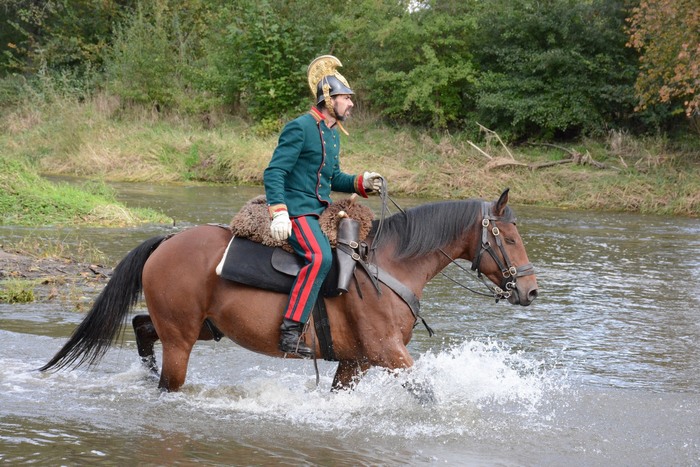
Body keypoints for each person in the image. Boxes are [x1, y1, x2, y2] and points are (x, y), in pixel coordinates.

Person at [263, 55, 383, 357]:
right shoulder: (300, 127)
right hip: (297, 209)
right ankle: (290, 330)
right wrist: (279, 212)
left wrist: (362, 182)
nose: (351, 103)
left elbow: (333, 177)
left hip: (320, 210)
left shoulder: (332, 134)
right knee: (319, 258)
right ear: (329, 99)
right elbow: (274, 172)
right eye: (346, 98)